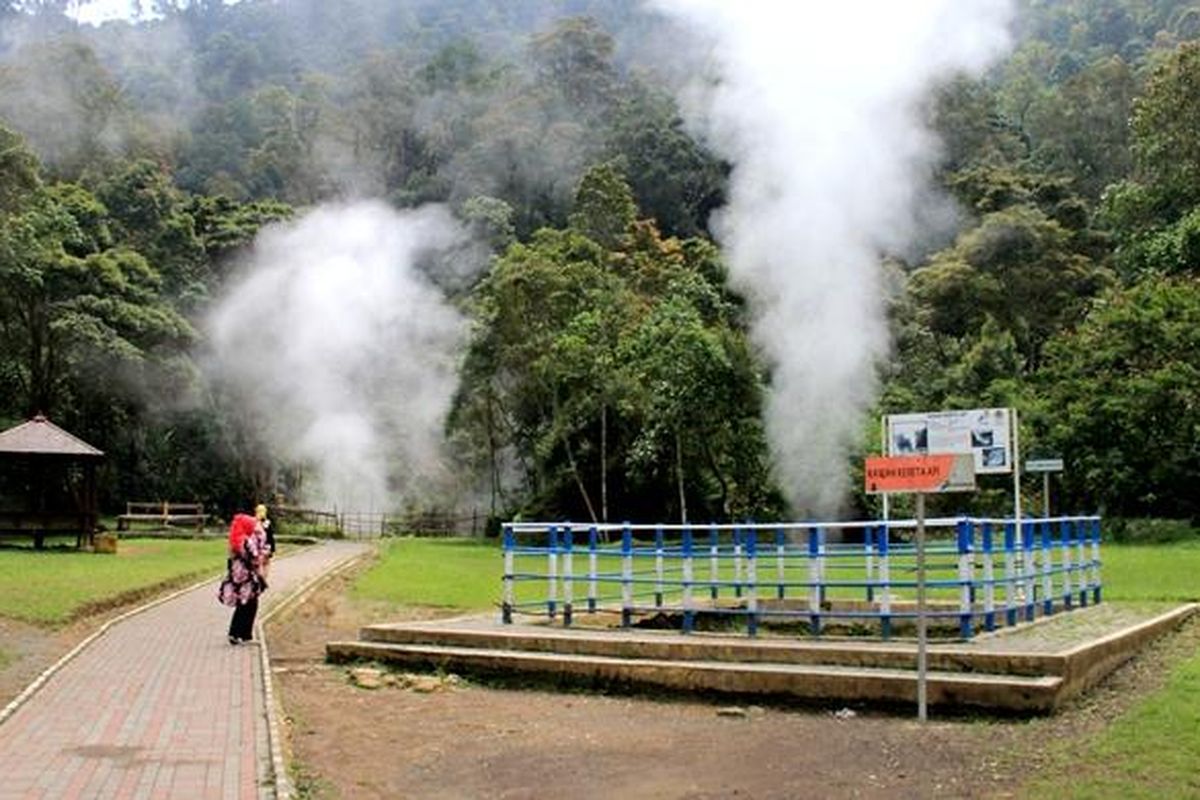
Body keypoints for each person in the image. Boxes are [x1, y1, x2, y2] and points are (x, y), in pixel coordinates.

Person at [218, 512, 268, 645]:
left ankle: (238, 634)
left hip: (237, 575)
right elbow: (254, 557)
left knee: (244, 603)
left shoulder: (236, 541)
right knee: (249, 603)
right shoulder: (246, 541)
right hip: (247, 577)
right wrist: (262, 555)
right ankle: (240, 634)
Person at [256, 503, 277, 579]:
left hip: (256, 546)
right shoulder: (267, 523)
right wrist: (273, 549)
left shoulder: (254, 522)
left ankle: (259, 578)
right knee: (266, 563)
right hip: (266, 546)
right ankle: (263, 578)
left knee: (259, 564)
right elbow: (271, 537)